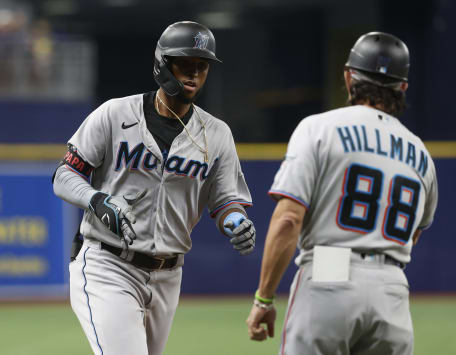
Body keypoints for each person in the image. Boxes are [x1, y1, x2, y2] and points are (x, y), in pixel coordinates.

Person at [53, 21, 255, 355]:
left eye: (201, 66)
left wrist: (235, 221)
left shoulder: (216, 134)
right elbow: (64, 175)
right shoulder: (115, 114)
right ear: (163, 63)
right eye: (184, 64)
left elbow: (225, 201)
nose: (193, 74)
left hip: (168, 275)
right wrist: (96, 199)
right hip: (109, 264)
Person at [246, 32, 438, 355]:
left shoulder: (319, 128)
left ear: (349, 77)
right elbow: (414, 233)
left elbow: (289, 219)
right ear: (403, 87)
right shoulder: (421, 154)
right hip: (391, 284)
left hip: (328, 268)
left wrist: (264, 297)